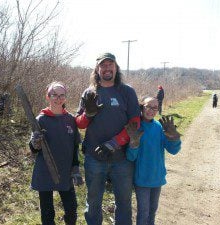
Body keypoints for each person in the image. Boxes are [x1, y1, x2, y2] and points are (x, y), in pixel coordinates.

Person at [75, 52, 141, 225]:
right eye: (103, 65)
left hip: (122, 159)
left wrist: (113, 143)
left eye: (110, 64)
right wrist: (88, 114)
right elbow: (80, 124)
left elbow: (135, 123)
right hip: (94, 158)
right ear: (97, 70)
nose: (107, 68)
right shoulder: (89, 92)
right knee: (94, 202)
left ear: (116, 68)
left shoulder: (127, 92)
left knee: (124, 203)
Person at [29, 81, 83, 225]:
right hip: (45, 171)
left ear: (65, 97)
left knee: (71, 209)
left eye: (61, 95)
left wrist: (76, 169)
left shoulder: (71, 120)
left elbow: (75, 147)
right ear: (48, 97)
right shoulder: (40, 119)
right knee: (47, 212)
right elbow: (34, 149)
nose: (58, 98)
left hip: (65, 171)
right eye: (54, 95)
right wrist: (35, 142)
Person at [126, 97, 181, 225]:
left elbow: (173, 150)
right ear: (141, 107)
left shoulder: (159, 127)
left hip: (157, 177)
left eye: (155, 107)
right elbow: (130, 157)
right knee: (143, 212)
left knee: (152, 211)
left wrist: (174, 138)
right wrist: (134, 144)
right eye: (148, 106)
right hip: (142, 179)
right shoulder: (136, 127)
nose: (151, 110)